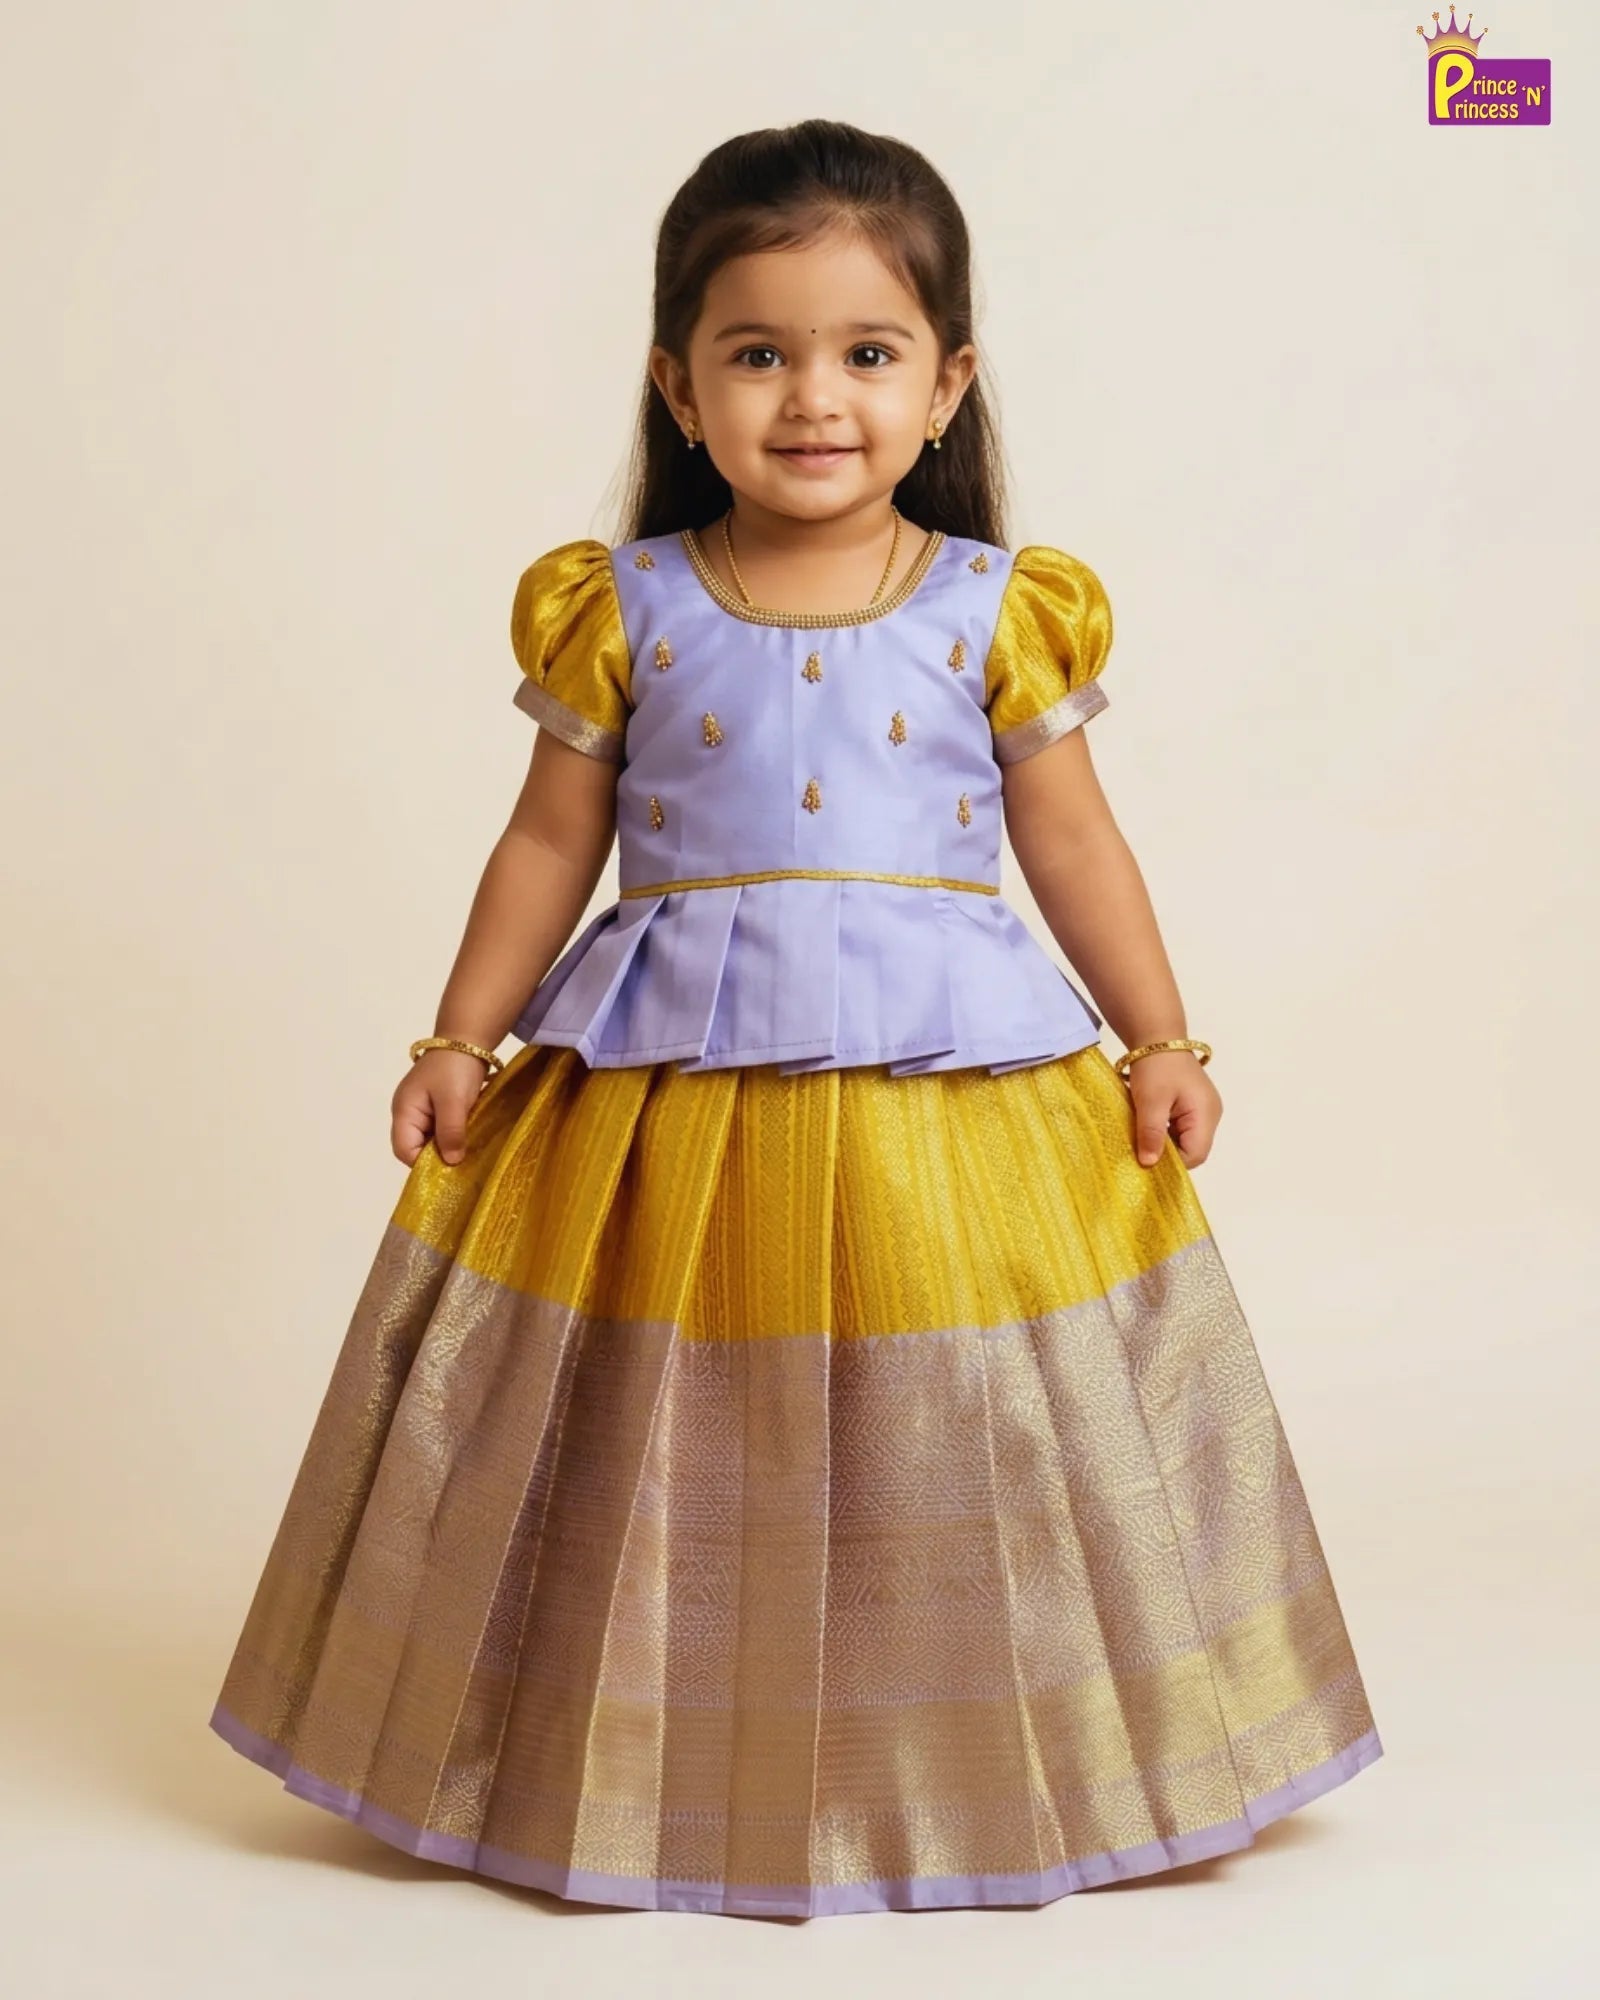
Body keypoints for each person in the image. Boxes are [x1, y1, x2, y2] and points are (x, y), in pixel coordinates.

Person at [208, 118, 1382, 1919]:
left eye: (867, 353)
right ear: (679, 385)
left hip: (954, 1096)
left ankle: (954, 1750)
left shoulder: (1000, 611)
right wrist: (460, 1036)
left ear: (947, 382)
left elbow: (1073, 839)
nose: (813, 397)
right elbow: (548, 839)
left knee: (963, 1409)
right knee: (666, 1415)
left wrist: (1162, 1038)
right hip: (669, 1090)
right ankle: (635, 1740)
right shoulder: (627, 607)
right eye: (758, 353)